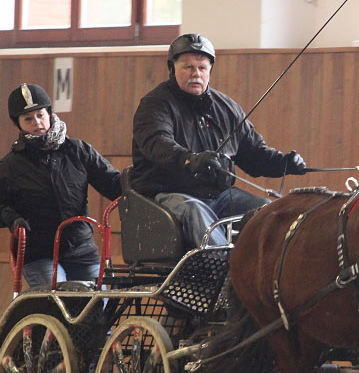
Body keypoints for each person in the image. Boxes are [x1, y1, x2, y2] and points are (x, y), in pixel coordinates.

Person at [131, 33, 307, 248]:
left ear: (209, 71)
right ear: (172, 69)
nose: (196, 74)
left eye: (202, 68)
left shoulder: (227, 107)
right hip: (169, 194)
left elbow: (254, 154)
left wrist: (284, 163)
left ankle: (263, 270)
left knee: (267, 209)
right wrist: (189, 159)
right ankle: (222, 270)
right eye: (188, 67)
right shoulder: (155, 104)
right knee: (196, 211)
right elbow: (156, 143)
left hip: (221, 195)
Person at [0, 83, 122, 288]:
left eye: (40, 115)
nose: (37, 122)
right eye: (28, 119)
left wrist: (140, 180)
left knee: (99, 303)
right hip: (40, 254)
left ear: (49, 113)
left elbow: (113, 184)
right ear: (18, 125)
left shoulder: (79, 151)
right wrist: (13, 220)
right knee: (59, 300)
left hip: (81, 249)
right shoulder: (11, 164)